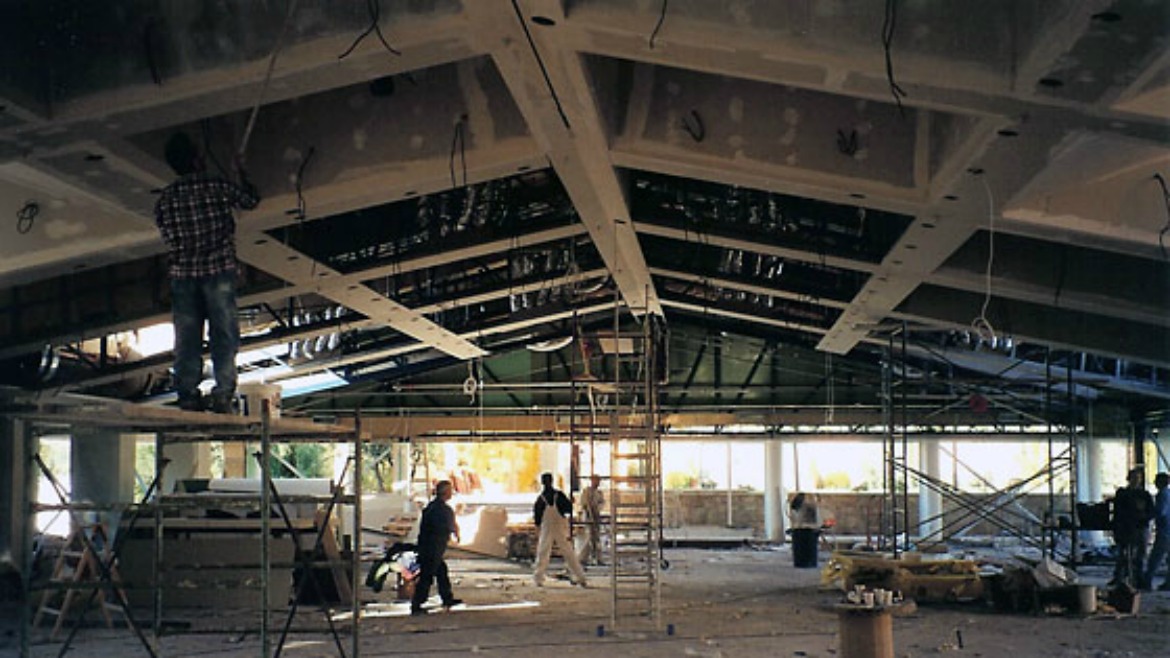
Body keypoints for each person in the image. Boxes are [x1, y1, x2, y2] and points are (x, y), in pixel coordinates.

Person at [154, 132, 259, 412]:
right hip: (218, 272)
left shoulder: (166, 199)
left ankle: (187, 394)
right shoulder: (214, 185)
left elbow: (166, 235)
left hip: (183, 276)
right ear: (197, 158)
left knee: (187, 339)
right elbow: (250, 200)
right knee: (223, 335)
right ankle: (222, 394)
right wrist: (241, 174)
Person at [411, 480, 463, 615]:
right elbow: (448, 526)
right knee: (427, 576)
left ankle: (447, 598)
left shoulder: (432, 507)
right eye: (450, 490)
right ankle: (417, 603)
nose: (452, 493)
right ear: (445, 492)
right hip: (433, 548)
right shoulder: (441, 510)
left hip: (428, 546)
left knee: (441, 571)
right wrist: (455, 533)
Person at [533, 472, 587, 587]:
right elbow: (568, 509)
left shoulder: (540, 500)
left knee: (543, 551)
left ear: (542, 483)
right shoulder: (559, 495)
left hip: (547, 528)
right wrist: (571, 502)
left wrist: (538, 529)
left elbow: (537, 519)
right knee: (568, 552)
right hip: (560, 527)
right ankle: (580, 576)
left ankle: (538, 578)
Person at [1111, 467, 1154, 589]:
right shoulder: (1123, 494)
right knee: (1124, 555)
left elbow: (1151, 511)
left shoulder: (1145, 495)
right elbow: (1118, 512)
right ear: (1129, 479)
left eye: (1138, 478)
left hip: (1140, 527)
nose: (1136, 480)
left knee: (1140, 555)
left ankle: (1137, 578)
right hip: (1126, 528)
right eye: (1134, 478)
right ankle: (1120, 578)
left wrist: (1143, 517)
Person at [1141, 472, 1170, 590]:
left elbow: (1160, 512)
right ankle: (1168, 583)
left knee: (1155, 558)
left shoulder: (1162, 495)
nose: (1154, 482)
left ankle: (1147, 581)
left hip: (1164, 531)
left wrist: (1146, 515)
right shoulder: (1168, 493)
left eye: (1156, 480)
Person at [576, 473, 605, 566]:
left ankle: (598, 558)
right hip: (588, 516)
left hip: (596, 516)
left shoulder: (599, 493)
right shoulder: (586, 491)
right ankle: (583, 558)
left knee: (596, 538)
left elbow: (601, 503)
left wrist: (597, 509)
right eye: (596, 481)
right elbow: (584, 504)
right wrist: (589, 512)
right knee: (589, 538)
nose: (597, 483)